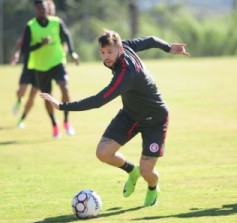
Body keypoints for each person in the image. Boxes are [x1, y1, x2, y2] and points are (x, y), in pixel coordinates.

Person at [40, 29, 189, 206]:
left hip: (155, 119)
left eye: (110, 52)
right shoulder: (124, 46)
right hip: (130, 114)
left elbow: (98, 100)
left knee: (147, 171)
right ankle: (131, 170)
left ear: (119, 48)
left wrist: (62, 106)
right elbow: (149, 40)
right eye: (102, 52)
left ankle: (152, 187)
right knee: (103, 153)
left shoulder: (125, 74)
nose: (106, 57)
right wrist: (168, 47)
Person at [23, 0, 79, 138]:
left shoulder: (57, 22)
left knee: (64, 87)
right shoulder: (30, 26)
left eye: (44, 8)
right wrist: (40, 44)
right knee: (47, 97)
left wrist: (72, 52)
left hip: (57, 62)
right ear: (35, 10)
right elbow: (25, 49)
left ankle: (66, 121)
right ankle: (54, 124)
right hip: (41, 67)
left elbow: (66, 35)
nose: (42, 10)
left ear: (47, 9)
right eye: (39, 8)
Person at [11, 0, 58, 128]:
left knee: (32, 96)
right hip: (29, 63)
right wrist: (16, 53)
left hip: (42, 66)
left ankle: (22, 119)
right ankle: (19, 100)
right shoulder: (32, 25)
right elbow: (21, 42)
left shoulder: (53, 24)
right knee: (21, 91)